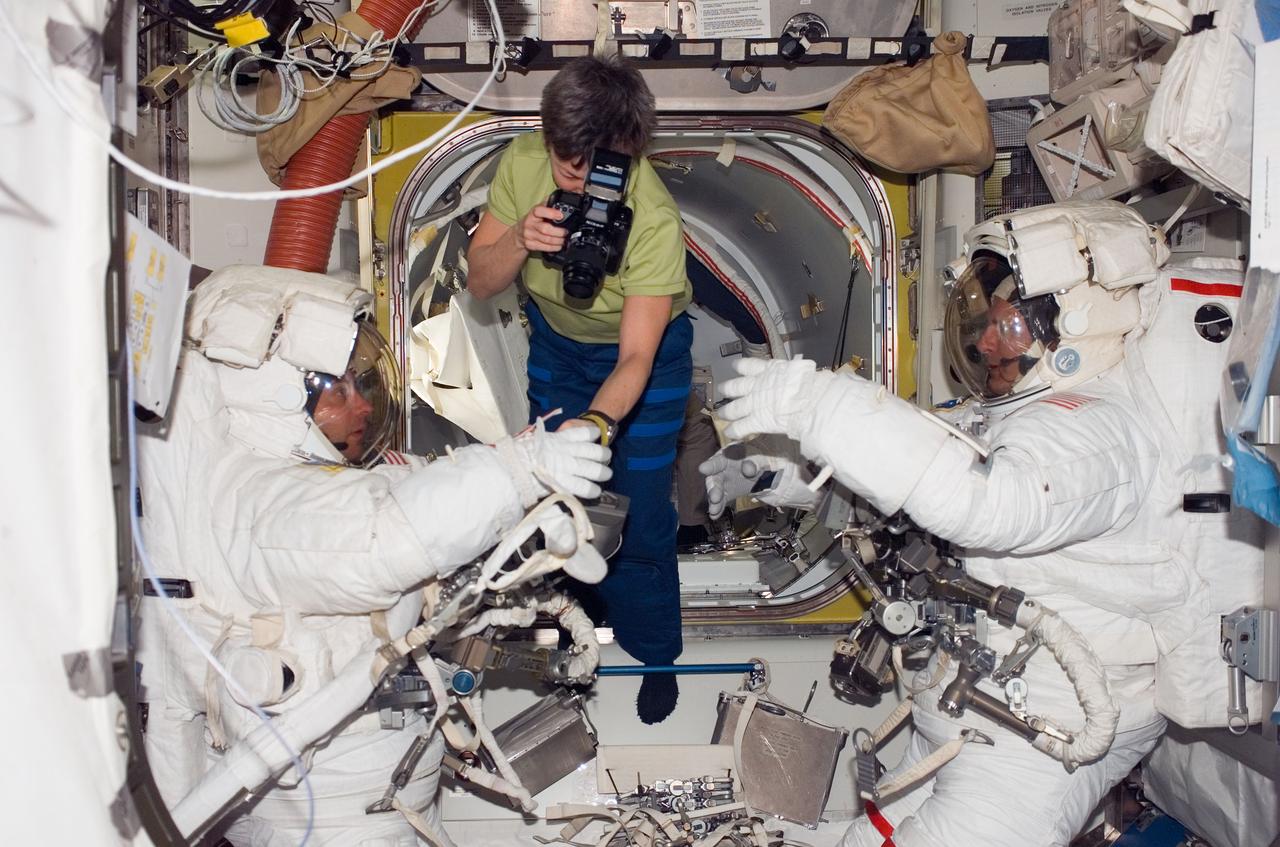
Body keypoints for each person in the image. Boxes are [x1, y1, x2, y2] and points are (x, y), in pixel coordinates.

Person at [706, 201, 1258, 846]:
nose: (983, 343)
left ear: (1077, 328)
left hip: (1039, 738)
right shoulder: (1023, 414)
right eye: (984, 323)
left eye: (1008, 327)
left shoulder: (1101, 432)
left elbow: (988, 506)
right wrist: (785, 475)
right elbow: (919, 494)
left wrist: (818, 405)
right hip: (976, 704)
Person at [135, 265, 612, 846]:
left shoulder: (292, 483)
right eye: (339, 388)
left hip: (385, 801)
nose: (363, 407)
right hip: (332, 821)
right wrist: (516, 470)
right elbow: (385, 538)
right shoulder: (258, 501)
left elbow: (403, 521)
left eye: (364, 385)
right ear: (273, 390)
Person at [466, 55, 693, 724]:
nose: (586, 180)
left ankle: (655, 653)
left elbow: (636, 355)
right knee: (553, 506)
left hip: (643, 367)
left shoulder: (653, 220)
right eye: (572, 165)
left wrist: (595, 426)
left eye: (604, 167)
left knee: (640, 510)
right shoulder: (521, 161)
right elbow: (481, 282)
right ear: (549, 141)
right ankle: (568, 636)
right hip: (558, 344)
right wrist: (518, 238)